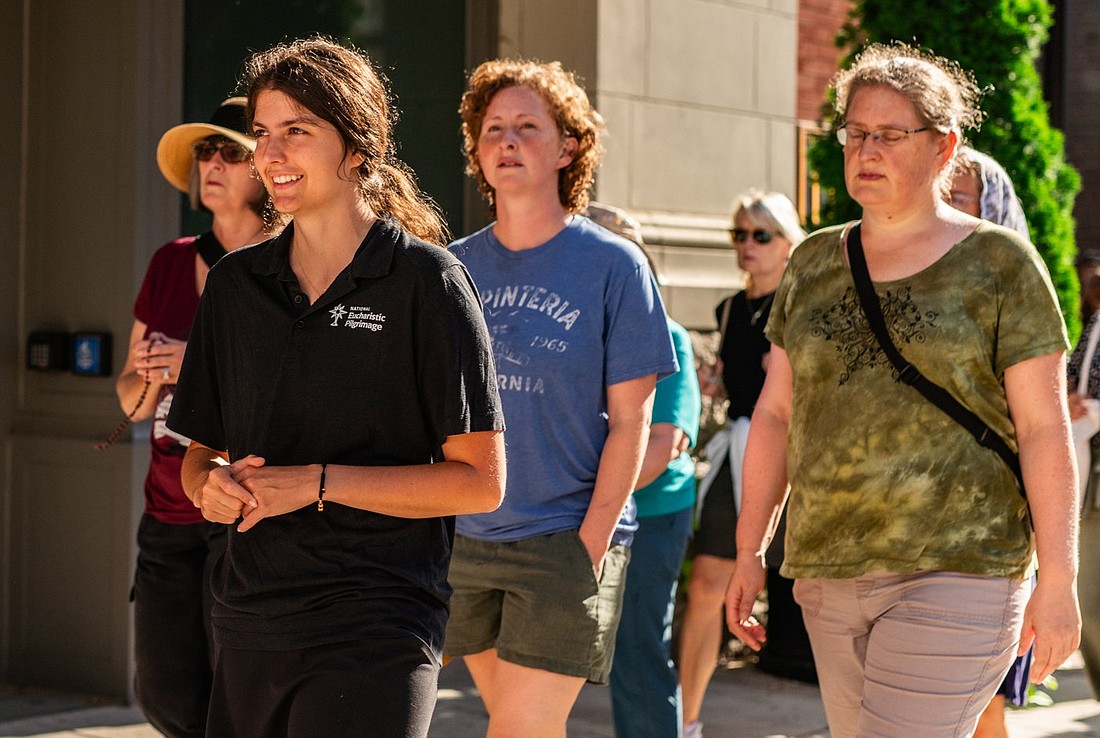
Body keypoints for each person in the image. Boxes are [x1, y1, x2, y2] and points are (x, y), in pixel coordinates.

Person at [725, 43, 1081, 738]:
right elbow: (774, 414)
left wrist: (1060, 580)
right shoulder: (812, 262)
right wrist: (748, 550)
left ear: (944, 146)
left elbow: (1043, 429)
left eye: (890, 134)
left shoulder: (1000, 263)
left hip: (961, 566)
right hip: (829, 569)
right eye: (856, 132)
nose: (867, 149)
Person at [165, 37, 506, 738]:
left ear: (356, 146)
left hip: (378, 623)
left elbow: (479, 482)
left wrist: (319, 482)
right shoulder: (235, 287)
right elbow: (200, 458)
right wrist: (212, 487)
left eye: (298, 131)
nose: (272, 154)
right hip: (250, 616)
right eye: (263, 133)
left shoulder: (426, 283)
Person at [445, 59, 678, 738]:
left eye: (527, 126)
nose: (507, 141)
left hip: (563, 538)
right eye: (493, 129)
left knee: (517, 730)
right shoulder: (453, 266)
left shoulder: (613, 265)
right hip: (467, 534)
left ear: (568, 147)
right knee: (522, 726)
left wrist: (591, 544)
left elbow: (633, 422)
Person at [111, 96, 269, 738]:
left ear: (265, 170)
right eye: (206, 152)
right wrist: (149, 374)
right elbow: (128, 395)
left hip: (242, 510)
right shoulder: (170, 261)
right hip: (166, 515)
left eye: (231, 152)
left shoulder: (287, 264)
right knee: (166, 695)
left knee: (239, 699)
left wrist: (194, 363)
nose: (213, 163)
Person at [678, 190, 807, 738]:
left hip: (797, 458)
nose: (747, 246)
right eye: (739, 235)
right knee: (708, 585)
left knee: (821, 592)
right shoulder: (729, 309)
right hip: (739, 451)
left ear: (787, 243)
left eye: (760, 235)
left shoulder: (803, 306)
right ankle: (685, 721)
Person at [582, 203, 702, 738]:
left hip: (649, 517)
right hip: (569, 515)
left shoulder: (669, 337)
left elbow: (661, 446)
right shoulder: (570, 332)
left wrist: (589, 500)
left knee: (634, 652)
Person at [946, 145, 1035, 738]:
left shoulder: (1014, 289)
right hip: (910, 527)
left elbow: (1036, 429)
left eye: (959, 194)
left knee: (981, 699)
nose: (946, 204)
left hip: (989, 527)